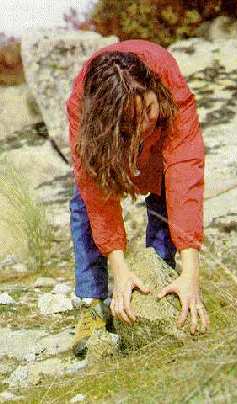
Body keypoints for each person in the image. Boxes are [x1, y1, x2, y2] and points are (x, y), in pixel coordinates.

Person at [65, 39, 209, 357]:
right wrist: (118, 267)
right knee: (85, 205)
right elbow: (97, 194)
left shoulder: (167, 81)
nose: (145, 123)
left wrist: (192, 273)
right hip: (108, 145)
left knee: (167, 192)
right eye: (134, 122)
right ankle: (92, 305)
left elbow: (185, 176)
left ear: (153, 88)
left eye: (147, 110)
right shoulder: (83, 107)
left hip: (158, 150)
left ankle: (160, 284)